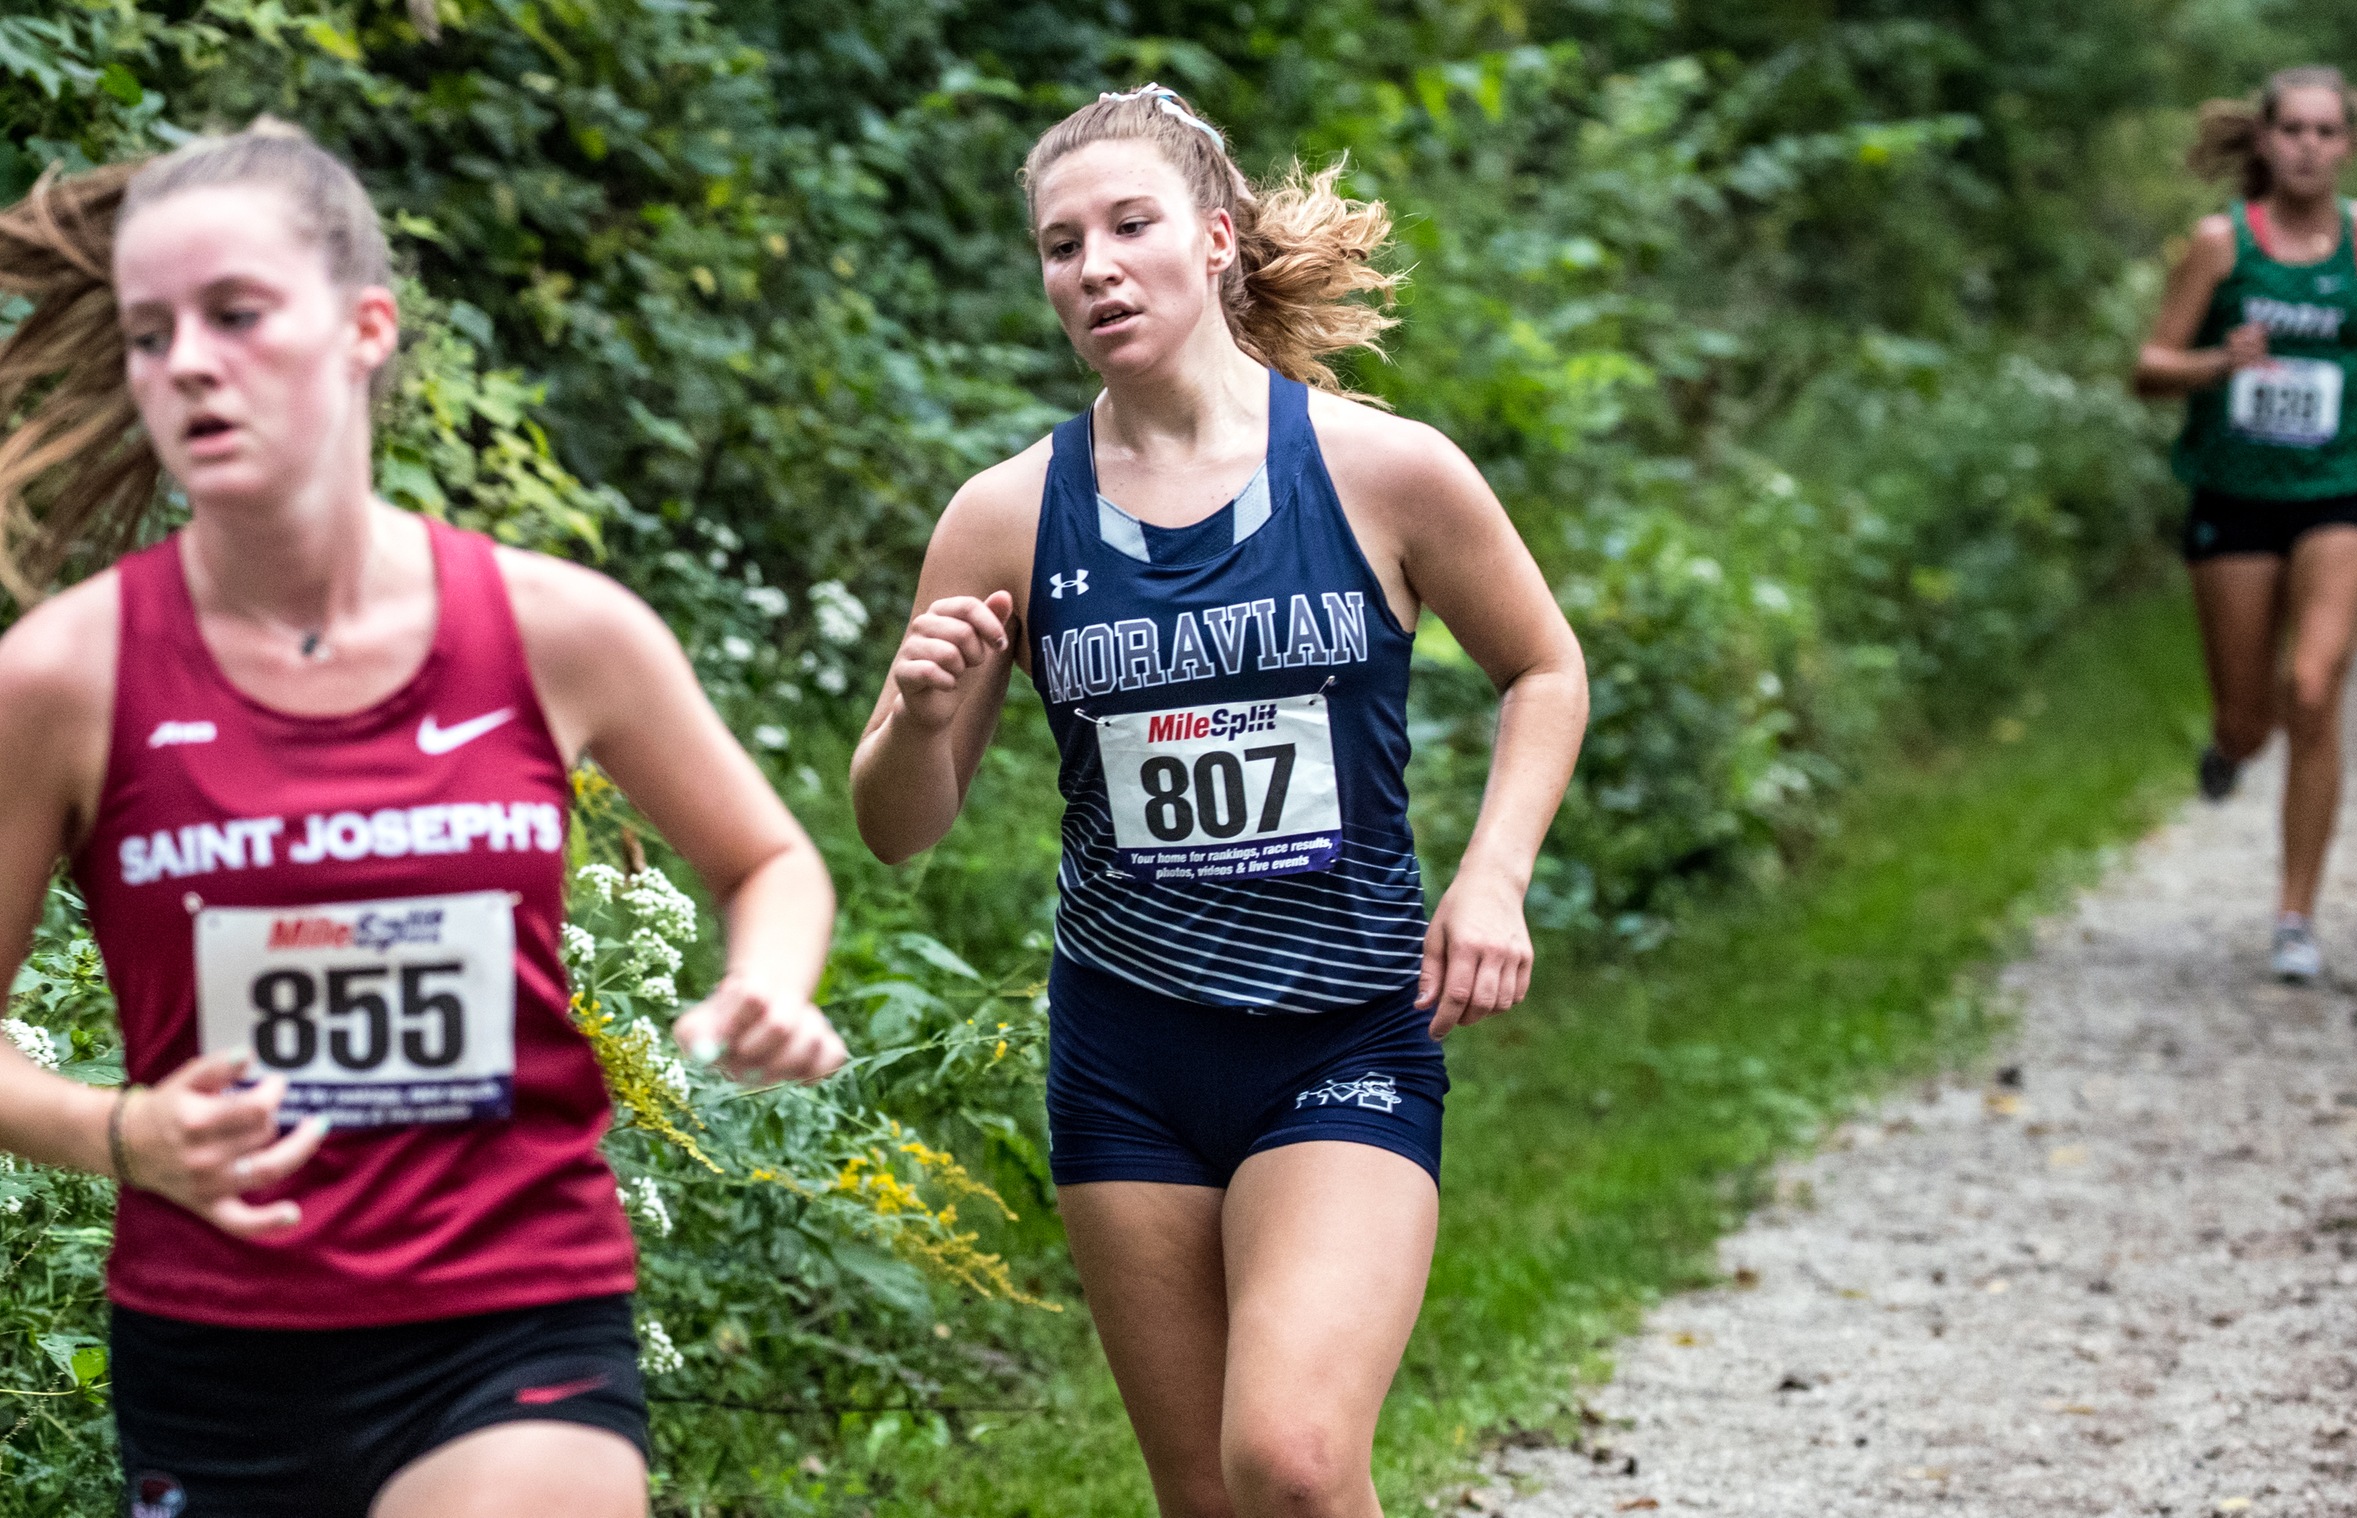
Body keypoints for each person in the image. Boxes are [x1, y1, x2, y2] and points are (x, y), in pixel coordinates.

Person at [0, 123, 849, 1518]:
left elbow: (770, 858)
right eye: (151, 336)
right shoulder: (65, 674)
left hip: (516, 1307)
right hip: (218, 1344)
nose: (189, 364)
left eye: (236, 315)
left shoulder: (556, 626)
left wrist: (765, 982)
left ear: (365, 329)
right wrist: (123, 1132)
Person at [850, 86, 1587, 1518]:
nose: (1096, 268)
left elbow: (1543, 667)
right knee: (1207, 1499)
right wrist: (919, 717)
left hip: (1344, 1032)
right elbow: (900, 825)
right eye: (1061, 247)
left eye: (1130, 226)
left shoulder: (1384, 471)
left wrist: (1494, 875)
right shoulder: (1005, 515)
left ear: (1217, 237)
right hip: (1126, 1054)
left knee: (1295, 1466)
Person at [2135, 66, 2357, 983]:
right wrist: (2219, 361)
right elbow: (2147, 367)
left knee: (2313, 689)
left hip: (2338, 491)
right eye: (2292, 130)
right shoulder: (2222, 247)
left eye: (2325, 132)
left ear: (2349, 145)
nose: (2308, 146)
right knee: (2253, 717)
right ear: (2264, 142)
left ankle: (2295, 916)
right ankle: (2228, 750)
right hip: (2236, 496)